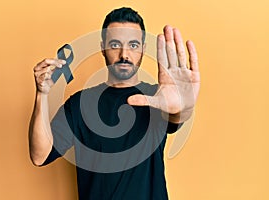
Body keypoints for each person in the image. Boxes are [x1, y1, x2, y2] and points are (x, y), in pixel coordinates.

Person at [29, 7, 200, 200]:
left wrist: (184, 106)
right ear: (103, 47)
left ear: (143, 48)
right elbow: (39, 155)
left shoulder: (157, 97)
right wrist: (41, 95)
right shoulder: (79, 104)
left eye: (133, 45)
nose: (124, 54)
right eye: (115, 44)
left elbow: (176, 117)